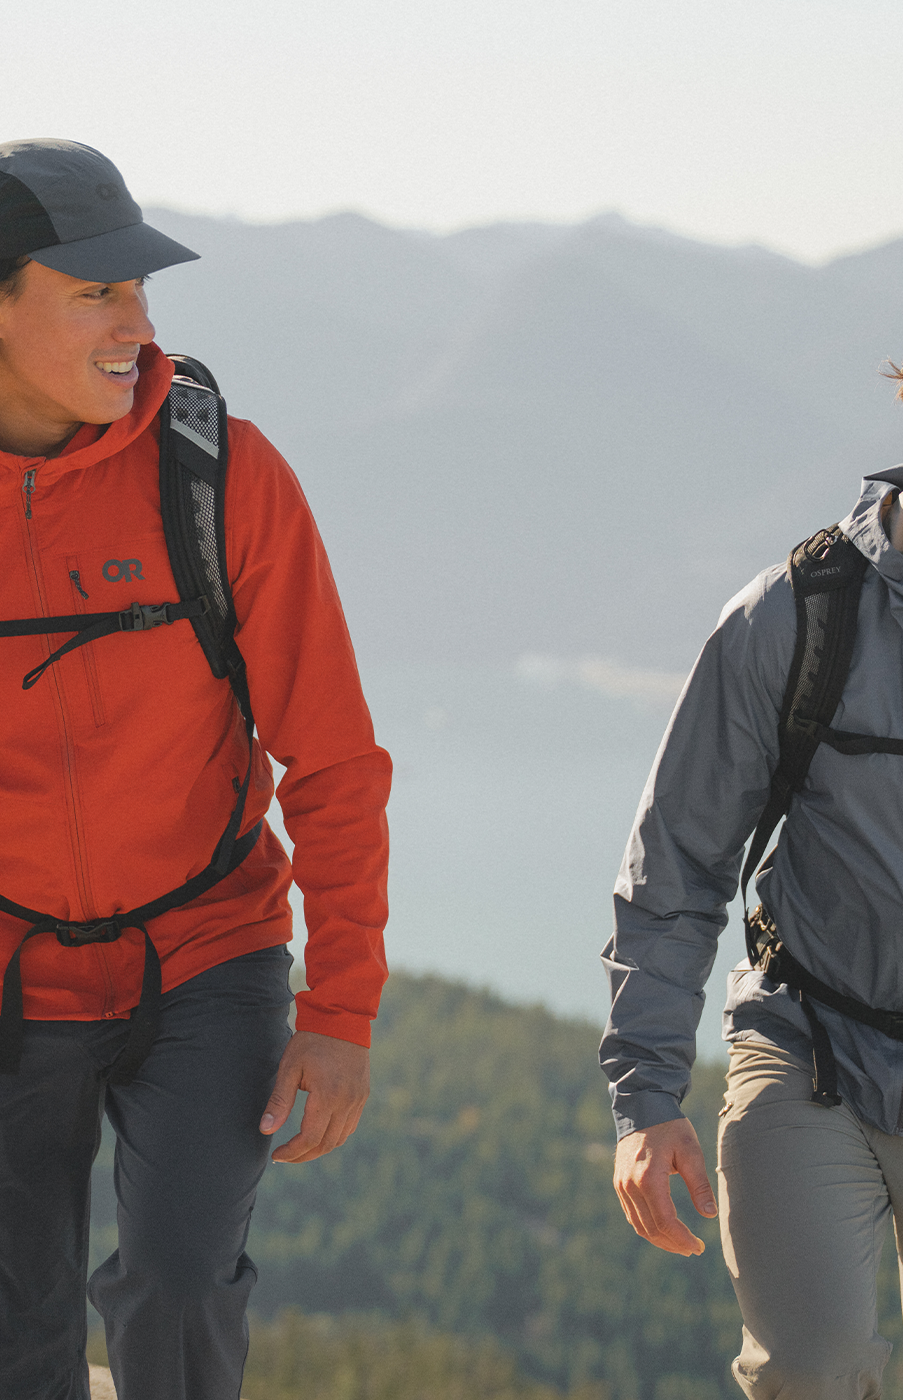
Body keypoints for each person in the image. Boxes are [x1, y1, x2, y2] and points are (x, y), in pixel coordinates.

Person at [0, 139, 391, 1399]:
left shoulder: (218, 475)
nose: (139, 322)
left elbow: (331, 758)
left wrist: (339, 1016)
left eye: (140, 289)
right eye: (95, 292)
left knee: (177, 1285)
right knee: (21, 1332)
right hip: (12, 977)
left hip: (208, 952)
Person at [600, 281, 903, 1398]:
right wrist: (645, 1095)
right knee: (810, 1369)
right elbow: (675, 863)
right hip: (806, 1046)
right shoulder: (799, 610)